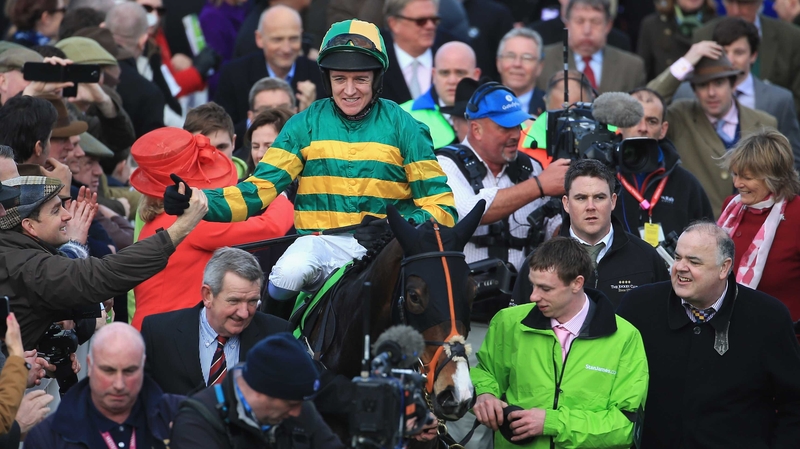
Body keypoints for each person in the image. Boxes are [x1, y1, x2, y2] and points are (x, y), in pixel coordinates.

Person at [165, 19, 457, 304]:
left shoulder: (407, 127)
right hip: (320, 244)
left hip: (388, 247)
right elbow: (257, 191)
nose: (350, 90)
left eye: (361, 79)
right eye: (340, 79)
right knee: (286, 277)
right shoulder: (302, 125)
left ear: (377, 79)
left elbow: (443, 208)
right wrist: (196, 199)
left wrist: (399, 226)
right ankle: (275, 347)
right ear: (327, 79)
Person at [616, 222, 800, 448]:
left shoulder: (768, 318)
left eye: (694, 262)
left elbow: (794, 406)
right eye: (678, 258)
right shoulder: (639, 306)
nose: (681, 268)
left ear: (724, 268)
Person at [472, 236, 648, 449]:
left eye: (545, 289)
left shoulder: (625, 338)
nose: (533, 297)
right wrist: (484, 394)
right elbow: (486, 371)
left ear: (577, 283)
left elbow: (625, 427)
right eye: (533, 285)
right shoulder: (507, 322)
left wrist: (551, 423)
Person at [0, 174, 208, 350]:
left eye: (63, 206)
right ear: (29, 226)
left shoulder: (22, 253)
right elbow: (102, 274)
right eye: (55, 210)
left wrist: (89, 306)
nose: (67, 216)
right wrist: (179, 230)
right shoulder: (25, 265)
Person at [129, 128, 294, 329]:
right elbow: (271, 228)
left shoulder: (157, 218)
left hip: (154, 333)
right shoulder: (191, 222)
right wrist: (281, 191)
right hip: (172, 339)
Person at [514, 159, 670, 309]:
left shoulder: (647, 258)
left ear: (613, 201)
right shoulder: (536, 263)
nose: (590, 207)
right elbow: (519, 327)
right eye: (581, 198)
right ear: (566, 204)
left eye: (599, 197)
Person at [141, 247, 291, 395]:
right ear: (207, 295)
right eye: (234, 301)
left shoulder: (277, 334)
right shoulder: (159, 333)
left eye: (253, 301)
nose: (244, 313)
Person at [647, 44, 777, 215]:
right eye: (702, 85)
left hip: (755, 229)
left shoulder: (766, 122)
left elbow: (782, 181)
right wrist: (686, 62)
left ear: (732, 84)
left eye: (719, 82)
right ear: (694, 90)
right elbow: (644, 104)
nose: (711, 93)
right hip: (700, 230)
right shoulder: (680, 116)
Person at [170, 332, 344, 448]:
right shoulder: (196, 423)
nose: (296, 412)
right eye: (290, 404)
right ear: (260, 390)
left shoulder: (300, 407)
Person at [24, 323, 185, 448]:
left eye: (129, 371)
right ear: (90, 366)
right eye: (108, 371)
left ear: (142, 366)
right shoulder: (48, 437)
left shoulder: (180, 417)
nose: (119, 384)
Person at [671, 17, 800, 170]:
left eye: (738, 52)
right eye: (723, 52)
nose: (730, 60)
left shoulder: (779, 100)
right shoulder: (685, 92)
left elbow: (791, 163)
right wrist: (685, 62)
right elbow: (652, 100)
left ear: (753, 56)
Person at [716, 129, 800, 322]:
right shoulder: (731, 207)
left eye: (747, 177)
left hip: (783, 338)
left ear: (774, 177)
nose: (737, 183)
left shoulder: (796, 215)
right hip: (729, 329)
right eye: (735, 174)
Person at [615, 87, 713, 242]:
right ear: (619, 124)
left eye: (651, 121)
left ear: (663, 130)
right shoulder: (599, 175)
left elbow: (707, 243)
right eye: (634, 119)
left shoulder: (686, 184)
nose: (643, 128)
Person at [214, 5, 323, 125]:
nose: (286, 49)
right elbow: (222, 132)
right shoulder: (233, 75)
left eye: (293, 39)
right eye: (278, 39)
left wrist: (309, 117)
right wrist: (255, 122)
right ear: (259, 38)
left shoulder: (319, 75)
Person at [693, 0, 800, 120]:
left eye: (743, 4)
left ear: (759, 3)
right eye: (729, 3)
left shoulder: (791, 37)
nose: (735, 11)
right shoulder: (703, 35)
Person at [536, 0, 646, 95]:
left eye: (595, 22)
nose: (587, 30)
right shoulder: (543, 60)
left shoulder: (632, 67)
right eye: (580, 21)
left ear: (608, 26)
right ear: (567, 24)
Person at [400, 41, 480, 149]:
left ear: (476, 75)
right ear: (434, 75)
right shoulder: (402, 116)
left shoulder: (493, 115)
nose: (452, 80)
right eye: (445, 73)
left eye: (460, 73)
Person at [381, 0, 450, 104]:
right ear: (394, 24)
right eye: (421, 21)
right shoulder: (378, 66)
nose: (430, 26)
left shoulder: (451, 57)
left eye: (434, 20)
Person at [637, 0, 717, 81]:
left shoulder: (717, 24)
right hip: (666, 90)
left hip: (706, 90)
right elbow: (644, 74)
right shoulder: (652, 25)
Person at [183, 102, 248, 178]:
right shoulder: (174, 184)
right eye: (202, 148)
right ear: (187, 147)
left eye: (221, 147)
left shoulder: (255, 182)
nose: (214, 157)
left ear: (233, 142)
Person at [496, 27, 546, 118]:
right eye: (510, 56)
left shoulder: (549, 107)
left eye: (527, 58)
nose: (517, 64)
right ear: (498, 63)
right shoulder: (482, 105)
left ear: (540, 66)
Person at [246, 107, 294, 176]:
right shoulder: (238, 186)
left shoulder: (311, 185)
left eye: (269, 147)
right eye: (255, 147)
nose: (260, 155)